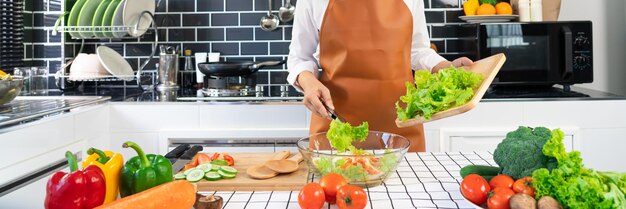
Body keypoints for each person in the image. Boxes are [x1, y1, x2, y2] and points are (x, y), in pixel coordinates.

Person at [287, 0, 474, 152]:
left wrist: (445, 67)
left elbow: (417, 50)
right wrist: (308, 82)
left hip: (401, 128)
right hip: (336, 125)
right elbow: (299, 58)